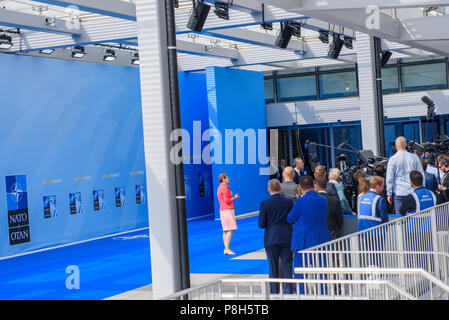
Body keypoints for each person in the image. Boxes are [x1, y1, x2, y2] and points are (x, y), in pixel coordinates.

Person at [287, 176, 331, 280]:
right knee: (322, 271)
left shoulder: (300, 201)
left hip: (303, 240)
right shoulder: (323, 200)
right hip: (321, 238)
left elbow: (290, 218)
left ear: (301, 187)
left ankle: (302, 294)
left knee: (300, 271)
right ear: (314, 185)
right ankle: (323, 293)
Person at [258, 179, 294, 294]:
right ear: (280, 188)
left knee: (272, 265)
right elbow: (292, 219)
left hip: (271, 238)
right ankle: (288, 291)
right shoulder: (288, 202)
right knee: (287, 264)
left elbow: (261, 224)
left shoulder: (264, 204)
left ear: (268, 189)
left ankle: (274, 292)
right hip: (287, 237)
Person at [386, 136, 426, 214]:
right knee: (415, 216)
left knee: (400, 220)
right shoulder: (415, 158)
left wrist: (389, 193)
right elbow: (421, 174)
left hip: (399, 192)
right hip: (413, 192)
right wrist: (422, 189)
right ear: (406, 144)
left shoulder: (393, 159)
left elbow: (389, 178)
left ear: (396, 145)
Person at [216, 173, 239, 255]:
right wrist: (235, 197)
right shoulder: (224, 187)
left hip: (223, 210)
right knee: (230, 229)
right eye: (227, 177)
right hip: (227, 209)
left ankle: (226, 248)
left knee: (226, 230)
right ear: (223, 179)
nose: (228, 178)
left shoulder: (220, 187)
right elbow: (227, 200)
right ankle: (227, 249)